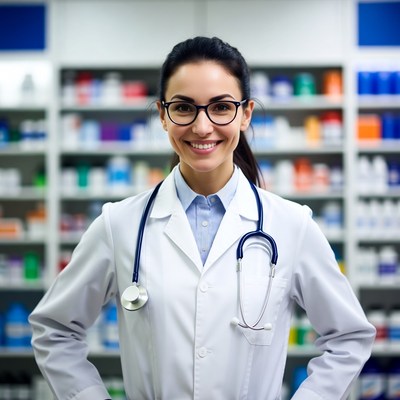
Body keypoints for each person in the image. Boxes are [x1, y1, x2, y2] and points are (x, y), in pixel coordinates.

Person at [29, 36, 375, 400]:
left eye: (221, 107)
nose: (202, 126)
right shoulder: (119, 225)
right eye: (183, 108)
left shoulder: (292, 225)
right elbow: (54, 329)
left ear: (246, 114)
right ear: (163, 115)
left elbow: (348, 337)